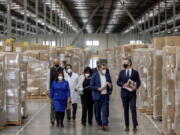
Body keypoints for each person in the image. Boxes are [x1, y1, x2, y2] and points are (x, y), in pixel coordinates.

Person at [117, 58, 141, 132]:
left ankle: (134, 126)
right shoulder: (121, 72)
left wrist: (136, 87)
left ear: (129, 63)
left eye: (125, 62)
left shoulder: (135, 72)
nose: (124, 64)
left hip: (132, 94)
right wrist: (123, 84)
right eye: (124, 62)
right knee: (126, 110)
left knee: (133, 109)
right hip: (124, 94)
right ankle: (127, 126)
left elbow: (139, 82)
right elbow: (118, 82)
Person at [90, 64, 113, 131]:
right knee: (97, 111)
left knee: (105, 111)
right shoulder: (95, 75)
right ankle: (99, 123)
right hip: (97, 96)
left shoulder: (107, 75)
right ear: (99, 69)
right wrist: (98, 88)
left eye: (105, 69)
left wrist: (110, 88)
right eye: (103, 68)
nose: (104, 70)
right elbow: (91, 86)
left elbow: (111, 84)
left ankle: (105, 124)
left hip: (105, 96)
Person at [49, 59, 64, 126]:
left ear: (59, 62)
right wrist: (48, 90)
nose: (56, 63)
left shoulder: (62, 69)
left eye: (57, 62)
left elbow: (65, 79)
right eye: (55, 62)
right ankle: (52, 119)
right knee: (53, 106)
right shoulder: (50, 70)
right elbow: (48, 80)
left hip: (61, 90)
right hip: (53, 90)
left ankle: (60, 120)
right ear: (53, 63)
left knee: (60, 106)